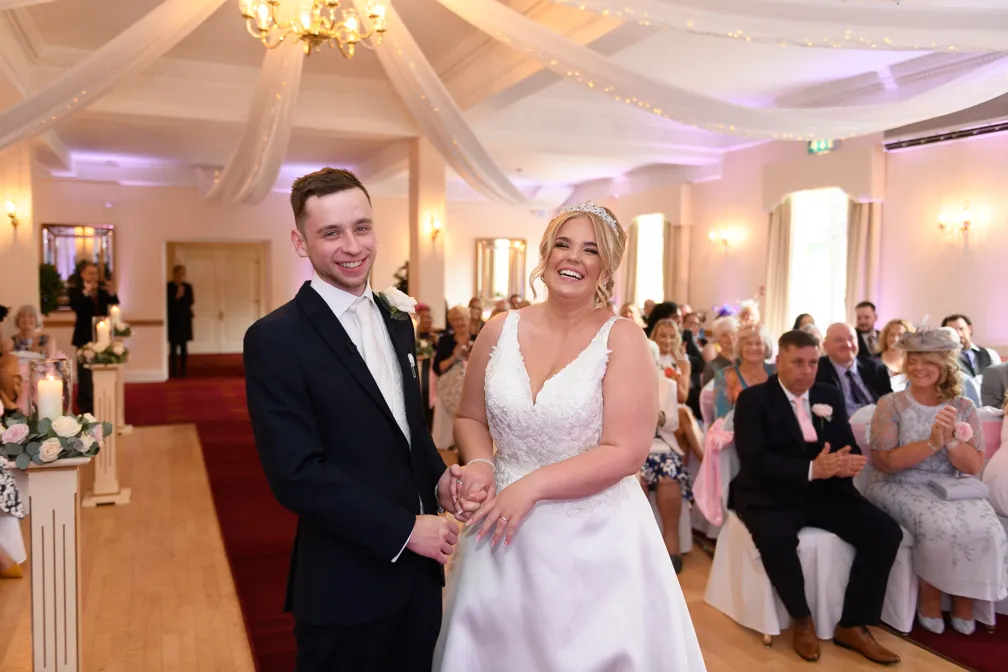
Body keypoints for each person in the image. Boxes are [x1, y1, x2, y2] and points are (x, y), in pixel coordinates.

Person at [435, 202, 706, 670]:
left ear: (607, 267)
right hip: (501, 531)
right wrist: (480, 462)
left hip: (595, 538)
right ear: (545, 253)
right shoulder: (499, 329)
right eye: (563, 244)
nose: (573, 258)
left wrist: (532, 487)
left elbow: (626, 452)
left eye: (590, 249)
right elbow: (470, 417)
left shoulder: (624, 339)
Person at [243, 168, 480, 672]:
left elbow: (409, 433)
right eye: (331, 232)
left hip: (419, 582)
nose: (352, 246)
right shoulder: (275, 338)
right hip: (344, 589)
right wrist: (406, 530)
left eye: (362, 227)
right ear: (301, 242)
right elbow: (296, 474)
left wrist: (439, 482)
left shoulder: (398, 320)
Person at [729, 329, 903, 664]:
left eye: (812, 363)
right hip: (769, 493)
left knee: (885, 532)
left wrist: (848, 461)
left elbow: (845, 443)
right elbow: (754, 460)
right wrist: (811, 469)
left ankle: (853, 624)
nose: (807, 371)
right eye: (797, 362)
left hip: (825, 491)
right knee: (776, 537)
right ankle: (802, 620)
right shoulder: (754, 399)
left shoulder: (827, 393)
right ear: (778, 361)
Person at [866, 327, 1007, 636]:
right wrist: (931, 443)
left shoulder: (963, 406)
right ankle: (930, 598)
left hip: (952, 485)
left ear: (944, 364)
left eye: (927, 360)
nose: (918, 367)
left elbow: (973, 466)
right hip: (900, 483)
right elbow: (884, 463)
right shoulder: (891, 405)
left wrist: (952, 442)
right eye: (912, 360)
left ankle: (964, 600)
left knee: (987, 527)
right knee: (938, 525)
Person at [68, 261, 119, 413]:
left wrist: (111, 293)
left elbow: (113, 306)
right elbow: (76, 305)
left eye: (95, 273)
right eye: (90, 273)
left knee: (100, 369)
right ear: (83, 274)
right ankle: (85, 405)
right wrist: (86, 292)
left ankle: (100, 401)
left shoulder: (101, 291)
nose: (93, 276)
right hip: (84, 336)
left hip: (101, 337)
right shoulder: (76, 291)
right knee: (84, 373)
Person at [167, 264, 195, 377]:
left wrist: (183, 296)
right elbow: (168, 302)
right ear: (174, 274)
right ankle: (173, 370)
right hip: (173, 321)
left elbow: (191, 301)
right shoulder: (168, 286)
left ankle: (183, 370)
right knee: (173, 347)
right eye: (179, 274)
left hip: (184, 320)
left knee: (184, 347)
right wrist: (177, 296)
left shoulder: (187, 286)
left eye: (183, 274)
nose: (181, 276)